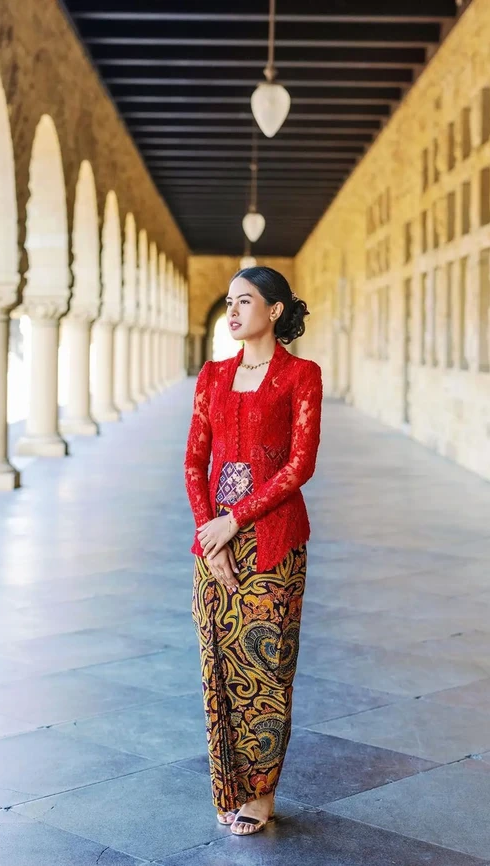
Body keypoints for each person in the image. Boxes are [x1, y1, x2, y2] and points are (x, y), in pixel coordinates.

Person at [184, 266, 323, 836]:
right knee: (217, 667)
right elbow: (194, 463)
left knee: (266, 670)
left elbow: (299, 465)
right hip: (212, 552)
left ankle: (262, 795)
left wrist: (234, 519)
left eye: (245, 301)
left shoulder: (301, 376)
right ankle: (229, 785)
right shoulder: (212, 377)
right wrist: (208, 533)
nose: (233, 310)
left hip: (273, 546)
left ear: (274, 310)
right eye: (228, 301)